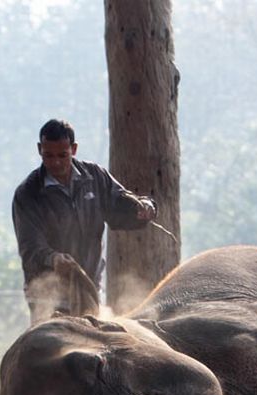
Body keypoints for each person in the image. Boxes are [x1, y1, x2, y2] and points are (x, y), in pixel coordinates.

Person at [12, 118, 156, 324]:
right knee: (55, 350)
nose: (55, 162)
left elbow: (122, 207)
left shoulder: (95, 177)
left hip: (90, 285)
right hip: (48, 296)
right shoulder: (28, 193)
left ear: (74, 149)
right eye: (48, 155)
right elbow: (29, 246)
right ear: (39, 150)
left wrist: (144, 208)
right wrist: (52, 259)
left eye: (62, 155)